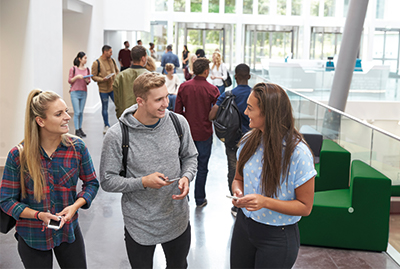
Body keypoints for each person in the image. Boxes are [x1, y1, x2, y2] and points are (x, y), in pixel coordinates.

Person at [100, 72, 198, 268]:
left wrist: (187, 177)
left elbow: (190, 157)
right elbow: (107, 180)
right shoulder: (117, 135)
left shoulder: (179, 123)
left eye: (166, 96)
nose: (166, 103)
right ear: (140, 101)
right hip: (139, 224)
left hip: (176, 219)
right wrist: (143, 182)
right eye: (158, 100)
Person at [0, 89, 99, 269]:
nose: (67, 117)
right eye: (59, 113)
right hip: (32, 235)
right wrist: (38, 215)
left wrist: (74, 206)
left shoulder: (77, 148)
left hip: (68, 232)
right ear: (40, 121)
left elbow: (91, 183)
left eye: (65, 111)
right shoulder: (18, 155)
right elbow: (6, 201)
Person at [230, 82, 316, 269]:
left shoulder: (298, 154)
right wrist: (238, 193)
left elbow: (305, 206)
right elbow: (238, 180)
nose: (245, 113)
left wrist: (264, 201)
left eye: (250, 108)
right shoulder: (248, 141)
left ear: (268, 113)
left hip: (278, 237)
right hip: (244, 227)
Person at [175, 58, 220, 207]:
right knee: (202, 167)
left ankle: (184, 196)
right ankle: (200, 199)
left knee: (183, 166)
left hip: (186, 134)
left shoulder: (183, 87)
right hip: (204, 133)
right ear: (206, 71)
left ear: (193, 70)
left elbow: (177, 112)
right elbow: (217, 113)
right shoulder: (213, 90)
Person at [208, 63, 252, 216]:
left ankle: (236, 204)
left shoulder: (228, 95)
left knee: (233, 171)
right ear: (249, 76)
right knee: (252, 171)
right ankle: (250, 204)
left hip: (232, 140)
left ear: (235, 77)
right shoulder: (256, 95)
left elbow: (212, 115)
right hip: (252, 141)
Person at [113, 45, 149, 118]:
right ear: (143, 58)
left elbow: (117, 101)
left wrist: (120, 115)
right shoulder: (150, 76)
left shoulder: (120, 76)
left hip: (125, 117)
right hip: (145, 118)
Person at [92, 45, 119, 134]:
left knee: (119, 105)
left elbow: (117, 71)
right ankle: (106, 125)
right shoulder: (97, 63)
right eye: (110, 52)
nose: (111, 53)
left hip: (113, 88)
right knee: (105, 107)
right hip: (103, 89)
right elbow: (94, 76)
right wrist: (102, 79)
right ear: (105, 52)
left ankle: (121, 123)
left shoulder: (112, 60)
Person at [68, 51, 91, 138]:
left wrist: (85, 79)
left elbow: (88, 81)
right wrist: (77, 77)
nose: (86, 60)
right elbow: (70, 80)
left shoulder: (87, 69)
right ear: (79, 59)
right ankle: (77, 129)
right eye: (84, 58)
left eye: (86, 58)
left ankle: (80, 129)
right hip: (74, 92)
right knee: (77, 112)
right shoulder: (73, 69)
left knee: (81, 112)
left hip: (83, 92)